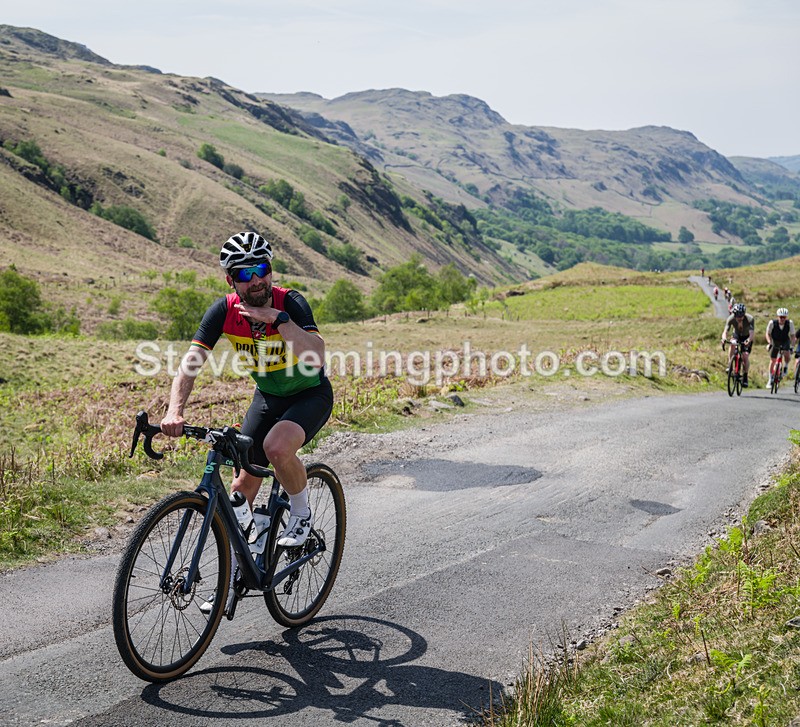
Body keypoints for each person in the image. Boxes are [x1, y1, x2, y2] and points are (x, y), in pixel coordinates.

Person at [161, 231, 333, 550]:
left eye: (261, 269)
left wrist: (279, 320)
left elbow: (317, 355)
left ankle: (301, 514)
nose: (255, 280)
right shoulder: (223, 312)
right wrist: (175, 410)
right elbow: (190, 363)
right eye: (244, 273)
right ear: (231, 281)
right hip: (268, 398)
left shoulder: (290, 302)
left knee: (277, 448)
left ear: (271, 270)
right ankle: (249, 553)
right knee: (240, 489)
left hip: (309, 395)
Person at [721, 303, 754, 387]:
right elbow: (725, 331)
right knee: (732, 343)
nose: (739, 318)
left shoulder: (750, 319)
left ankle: (745, 376)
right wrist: (724, 338)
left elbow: (751, 334)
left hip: (746, 337)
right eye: (737, 316)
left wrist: (749, 340)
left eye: (741, 316)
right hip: (736, 335)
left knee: (745, 356)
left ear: (744, 314)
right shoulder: (730, 319)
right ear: (734, 315)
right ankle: (730, 364)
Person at [765, 307, 796, 387]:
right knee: (773, 360)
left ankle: (785, 366)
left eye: (784, 317)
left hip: (785, 340)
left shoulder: (790, 323)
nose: (782, 319)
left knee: (787, 353)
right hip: (775, 340)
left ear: (786, 317)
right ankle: (770, 379)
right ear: (777, 317)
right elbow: (767, 334)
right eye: (781, 317)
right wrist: (769, 343)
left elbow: (793, 336)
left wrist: (792, 346)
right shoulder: (772, 323)